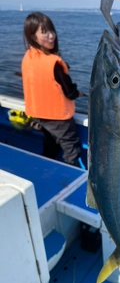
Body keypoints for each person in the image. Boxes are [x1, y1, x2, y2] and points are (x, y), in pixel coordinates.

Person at [22, 12, 85, 167]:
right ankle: (73, 176)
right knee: (72, 150)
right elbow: (69, 92)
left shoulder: (29, 56)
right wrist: (79, 93)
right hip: (59, 118)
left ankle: (45, 168)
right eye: (44, 32)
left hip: (39, 116)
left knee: (50, 145)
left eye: (52, 31)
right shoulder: (54, 63)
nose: (51, 36)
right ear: (33, 36)